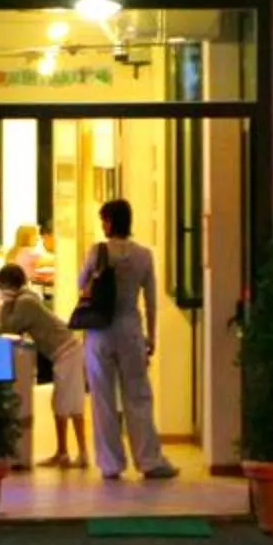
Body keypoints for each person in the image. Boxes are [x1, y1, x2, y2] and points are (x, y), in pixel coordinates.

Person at [78, 198, 174, 481]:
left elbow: (81, 284)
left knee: (102, 398)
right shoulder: (143, 255)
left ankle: (110, 464)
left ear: (109, 222)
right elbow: (152, 300)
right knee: (138, 396)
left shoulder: (97, 252)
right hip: (130, 329)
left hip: (99, 331)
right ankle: (149, 460)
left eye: (104, 219)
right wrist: (151, 336)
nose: (102, 225)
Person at [0, 260, 90, 469]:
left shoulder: (25, 302)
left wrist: (4, 305)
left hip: (67, 351)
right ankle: (62, 452)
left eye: (1, 287)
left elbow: (10, 326)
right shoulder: (25, 299)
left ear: (10, 285)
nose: (1, 292)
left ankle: (82, 454)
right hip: (61, 353)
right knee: (61, 403)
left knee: (70, 403)